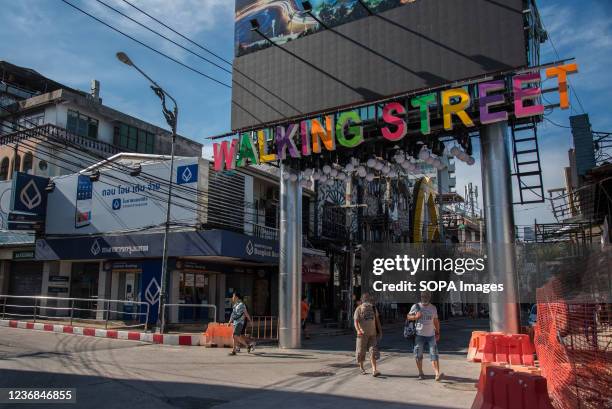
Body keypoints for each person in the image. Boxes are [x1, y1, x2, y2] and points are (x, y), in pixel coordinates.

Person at [407, 291, 443, 381]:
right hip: (419, 335)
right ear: (421, 296)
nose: (425, 297)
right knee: (418, 355)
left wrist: (438, 332)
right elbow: (408, 317)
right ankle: (420, 373)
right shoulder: (416, 306)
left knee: (434, 354)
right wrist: (415, 317)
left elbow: (435, 321)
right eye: (423, 296)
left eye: (427, 296)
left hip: (431, 335)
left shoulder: (433, 308)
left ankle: (437, 374)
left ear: (429, 297)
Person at [354, 293, 382, 377]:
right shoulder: (358, 309)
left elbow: (377, 321)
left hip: (372, 334)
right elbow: (356, 322)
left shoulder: (373, 308)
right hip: (362, 334)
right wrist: (358, 330)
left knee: (373, 351)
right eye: (365, 298)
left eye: (368, 298)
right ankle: (362, 367)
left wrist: (380, 331)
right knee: (361, 352)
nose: (367, 300)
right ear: (362, 300)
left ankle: (374, 370)